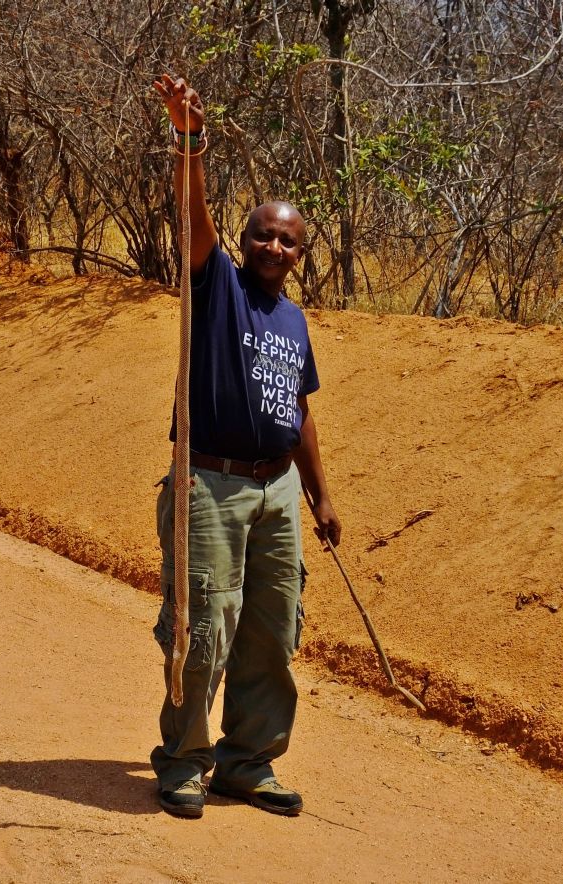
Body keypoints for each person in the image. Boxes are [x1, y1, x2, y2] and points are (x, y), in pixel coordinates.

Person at [150, 73, 341, 820]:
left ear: (300, 254)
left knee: (270, 629)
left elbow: (298, 409)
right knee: (201, 628)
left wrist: (321, 494)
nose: (272, 245)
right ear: (243, 238)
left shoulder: (292, 320)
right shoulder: (216, 286)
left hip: (277, 491)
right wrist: (191, 141)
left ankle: (247, 762)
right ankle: (185, 762)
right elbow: (190, 215)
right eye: (262, 232)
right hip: (211, 485)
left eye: (287, 240)